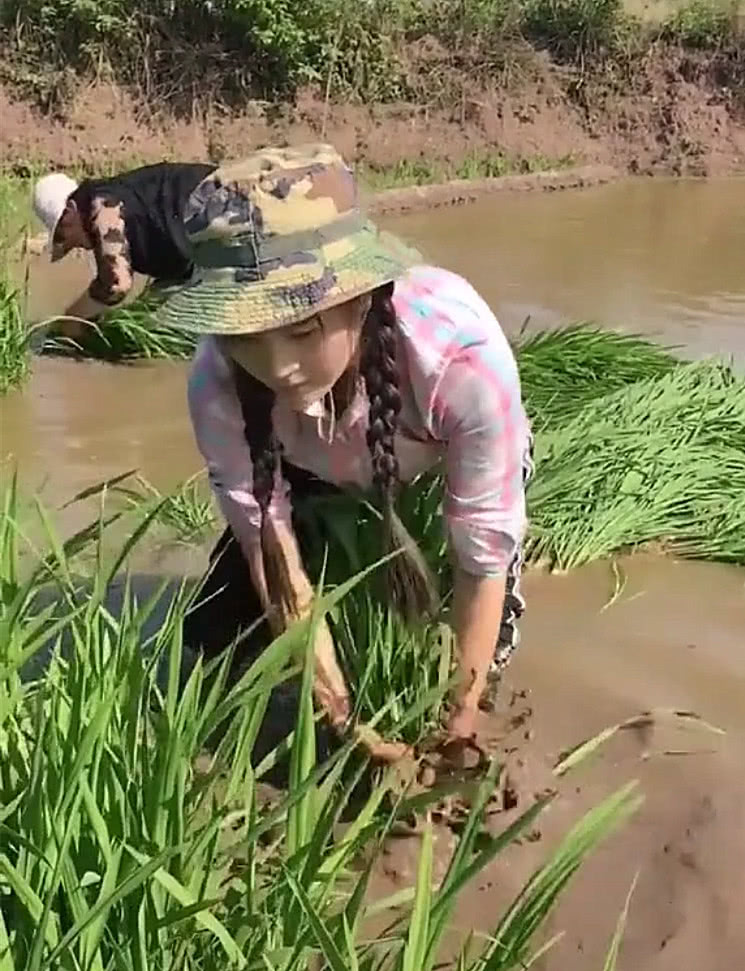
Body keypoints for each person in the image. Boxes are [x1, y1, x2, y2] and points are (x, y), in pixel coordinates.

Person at [160, 144, 533, 760]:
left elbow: (482, 555)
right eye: (244, 336)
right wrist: (338, 714)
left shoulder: (459, 363)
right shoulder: (217, 383)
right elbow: (268, 546)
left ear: (361, 299)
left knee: (478, 657)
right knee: (211, 638)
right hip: (309, 459)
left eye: (303, 330)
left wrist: (456, 726)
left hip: (428, 451)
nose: (277, 368)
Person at [32, 161, 216, 332]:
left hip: (226, 221)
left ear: (70, 211)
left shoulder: (103, 208)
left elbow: (116, 284)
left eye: (62, 235)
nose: (72, 245)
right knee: (151, 316)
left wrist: (71, 320)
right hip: (201, 249)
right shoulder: (108, 199)